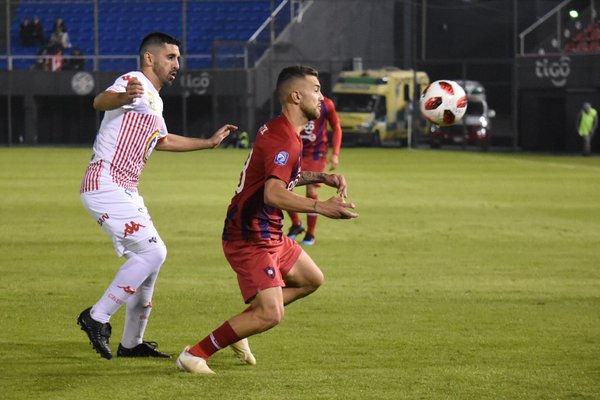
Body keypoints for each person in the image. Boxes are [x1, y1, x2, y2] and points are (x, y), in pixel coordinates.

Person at [175, 65, 358, 374]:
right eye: (316, 89)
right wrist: (321, 208)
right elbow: (273, 193)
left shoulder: (280, 129)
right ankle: (194, 355)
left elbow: (279, 178)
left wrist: (320, 176)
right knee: (271, 315)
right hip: (249, 236)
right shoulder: (284, 139)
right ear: (296, 95)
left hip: (269, 231)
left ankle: (240, 329)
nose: (322, 96)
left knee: (311, 280)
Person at [77, 32, 244, 361]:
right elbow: (100, 101)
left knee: (149, 264)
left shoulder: (154, 99)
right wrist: (124, 96)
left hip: (125, 188)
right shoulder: (134, 80)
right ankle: (96, 317)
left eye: (178, 58)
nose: (177, 64)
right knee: (154, 252)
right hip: (105, 181)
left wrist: (208, 143)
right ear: (149, 58)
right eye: (171, 57)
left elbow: (162, 141)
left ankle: (131, 343)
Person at [286, 96, 342, 245]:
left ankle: (310, 234)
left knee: (311, 190)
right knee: (284, 187)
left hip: (316, 153)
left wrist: (335, 153)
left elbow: (336, 126)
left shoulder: (326, 104)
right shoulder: (296, 101)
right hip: (297, 149)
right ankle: (296, 224)